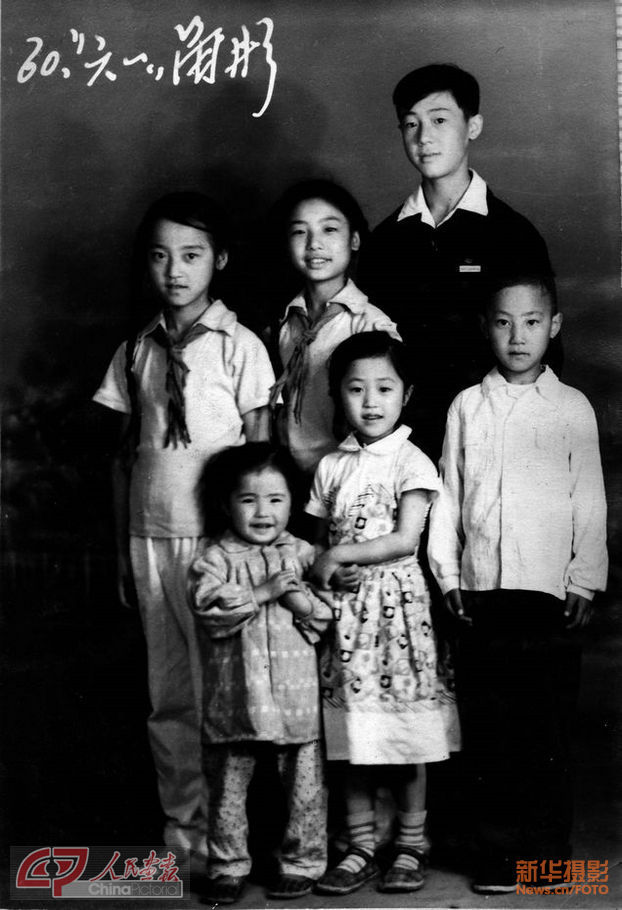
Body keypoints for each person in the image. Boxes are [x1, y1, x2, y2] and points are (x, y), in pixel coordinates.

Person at [93, 192, 275, 866]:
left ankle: (234, 838)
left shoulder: (241, 346)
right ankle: (184, 838)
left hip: (216, 544)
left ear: (219, 261)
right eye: (162, 255)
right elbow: (121, 458)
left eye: (192, 255)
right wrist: (120, 551)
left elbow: (260, 461)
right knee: (167, 694)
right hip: (149, 538)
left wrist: (251, 552)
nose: (176, 269)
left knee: (226, 692)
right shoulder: (135, 350)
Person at [427, 272, 608, 893]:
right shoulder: (466, 407)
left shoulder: (571, 408)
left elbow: (589, 500)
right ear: (486, 328)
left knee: (546, 728)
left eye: (532, 322)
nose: (518, 335)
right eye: (503, 322)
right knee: (491, 727)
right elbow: (448, 496)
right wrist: (448, 574)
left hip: (547, 596)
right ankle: (499, 854)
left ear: (553, 326)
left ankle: (548, 852)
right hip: (483, 593)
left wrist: (584, 579)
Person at [305, 331, 460, 896]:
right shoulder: (331, 465)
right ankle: (361, 844)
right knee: (354, 737)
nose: (371, 402)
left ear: (406, 394)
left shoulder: (411, 460)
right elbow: (321, 543)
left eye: (384, 388)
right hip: (349, 622)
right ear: (336, 395)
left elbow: (401, 540)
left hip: (397, 619)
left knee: (406, 736)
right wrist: (331, 567)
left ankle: (411, 845)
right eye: (355, 389)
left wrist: (338, 554)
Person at [358, 63, 559, 460]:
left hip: (493, 438)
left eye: (439, 120)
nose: (424, 138)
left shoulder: (512, 233)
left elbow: (545, 349)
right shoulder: (384, 241)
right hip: (403, 444)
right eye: (410, 125)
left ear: (473, 126)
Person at [187, 443, 332, 903]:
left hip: (297, 700)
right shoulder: (214, 558)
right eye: (248, 499)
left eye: (276, 499)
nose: (263, 511)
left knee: (305, 790)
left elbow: (327, 618)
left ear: (293, 501)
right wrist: (265, 591)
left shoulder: (307, 555)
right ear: (226, 503)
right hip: (236, 701)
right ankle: (227, 866)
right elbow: (209, 608)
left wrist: (302, 601)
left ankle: (302, 862)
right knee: (228, 789)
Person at [269, 179, 400, 479]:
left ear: (354, 239)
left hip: (349, 479)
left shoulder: (372, 325)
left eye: (329, 229)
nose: (314, 243)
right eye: (300, 231)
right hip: (290, 477)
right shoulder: (284, 322)